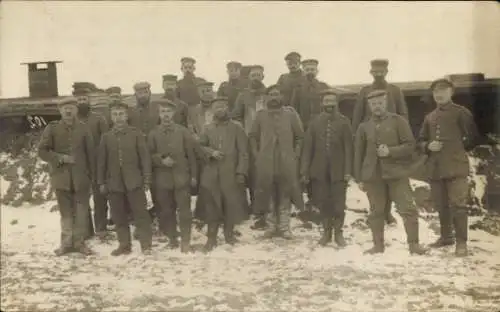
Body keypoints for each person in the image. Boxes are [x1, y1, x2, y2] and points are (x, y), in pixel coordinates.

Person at [354, 89, 428, 255]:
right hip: (373, 176)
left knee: (407, 209)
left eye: (380, 103)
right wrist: (359, 177)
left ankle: (414, 245)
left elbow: (410, 146)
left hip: (396, 174)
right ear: (369, 106)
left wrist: (390, 151)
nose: (377, 106)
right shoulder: (364, 127)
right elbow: (358, 153)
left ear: (385, 103)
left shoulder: (398, 121)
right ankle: (378, 246)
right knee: (376, 212)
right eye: (373, 104)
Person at [418, 78, 478, 257]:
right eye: (436, 91)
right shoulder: (429, 117)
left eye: (443, 90)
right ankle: (446, 237)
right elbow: (419, 141)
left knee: (458, 205)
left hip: (456, 167)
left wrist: (456, 151)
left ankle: (461, 243)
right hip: (436, 168)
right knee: (441, 204)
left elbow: (473, 138)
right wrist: (428, 146)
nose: (439, 94)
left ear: (451, 93)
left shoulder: (461, 113)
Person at [352, 58, 409, 226]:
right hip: (369, 137)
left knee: (389, 175)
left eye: (381, 71)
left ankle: (387, 212)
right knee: (373, 176)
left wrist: (401, 135)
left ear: (386, 72)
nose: (378, 74)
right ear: (371, 72)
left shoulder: (395, 91)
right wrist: (357, 135)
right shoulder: (364, 91)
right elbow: (357, 115)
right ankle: (376, 211)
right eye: (375, 71)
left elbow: (403, 113)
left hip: (391, 139)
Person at [38, 97, 95, 256]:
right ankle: (66, 244)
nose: (68, 111)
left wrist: (92, 177)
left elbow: (91, 155)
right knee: (66, 213)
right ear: (60, 111)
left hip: (81, 179)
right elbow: (42, 151)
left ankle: (79, 243)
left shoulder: (84, 129)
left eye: (71, 108)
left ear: (76, 110)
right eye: (65, 109)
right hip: (61, 178)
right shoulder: (52, 128)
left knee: (82, 212)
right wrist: (60, 158)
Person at [97, 100, 153, 256]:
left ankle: (146, 245)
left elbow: (145, 158)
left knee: (141, 215)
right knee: (119, 216)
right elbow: (101, 162)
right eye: (115, 114)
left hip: (134, 182)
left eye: (121, 114)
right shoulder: (106, 137)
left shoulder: (136, 134)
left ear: (127, 115)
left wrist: (147, 179)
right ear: (111, 117)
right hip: (114, 184)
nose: (118, 117)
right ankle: (124, 245)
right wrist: (101, 181)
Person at [249, 84, 304, 240]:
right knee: (269, 192)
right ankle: (271, 226)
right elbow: (252, 136)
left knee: (286, 191)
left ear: (281, 97)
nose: (274, 97)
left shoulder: (291, 114)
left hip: (287, 160)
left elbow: (300, 136)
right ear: (267, 97)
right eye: (271, 94)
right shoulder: (260, 115)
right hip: (266, 161)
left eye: (277, 94)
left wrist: (296, 154)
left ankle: (285, 227)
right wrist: (257, 154)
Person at [300, 89, 352, 247]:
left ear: (336, 103)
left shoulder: (344, 122)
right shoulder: (315, 122)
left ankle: (338, 233)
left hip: (338, 171)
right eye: (326, 101)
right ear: (322, 103)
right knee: (323, 202)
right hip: (319, 171)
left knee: (338, 203)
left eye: (332, 101)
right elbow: (308, 148)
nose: (329, 104)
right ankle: (326, 232)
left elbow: (349, 148)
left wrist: (348, 171)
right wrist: (305, 170)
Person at [198, 96, 249, 252]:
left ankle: (228, 234)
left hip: (230, 173)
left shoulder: (237, 127)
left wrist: (241, 172)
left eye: (222, 106)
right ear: (212, 111)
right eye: (216, 107)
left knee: (230, 205)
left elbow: (244, 152)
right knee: (211, 207)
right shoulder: (207, 128)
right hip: (211, 174)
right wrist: (211, 152)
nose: (220, 110)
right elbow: (199, 147)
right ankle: (211, 238)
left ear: (228, 108)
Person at [148, 99, 198, 252]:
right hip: (162, 180)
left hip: (181, 178)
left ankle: (186, 240)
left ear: (173, 113)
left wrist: (194, 176)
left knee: (184, 211)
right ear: (159, 114)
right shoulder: (153, 133)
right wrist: (161, 160)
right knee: (166, 211)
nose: (166, 115)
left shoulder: (183, 132)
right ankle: (172, 238)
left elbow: (192, 155)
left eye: (168, 112)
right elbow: (148, 155)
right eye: (163, 112)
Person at [230, 65, 267, 223]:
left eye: (259, 74)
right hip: (249, 139)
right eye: (253, 75)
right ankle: (254, 205)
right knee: (252, 173)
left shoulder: (268, 94)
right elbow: (236, 115)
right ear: (249, 77)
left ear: (263, 77)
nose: (256, 77)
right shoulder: (243, 96)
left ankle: (266, 206)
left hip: (267, 139)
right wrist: (242, 129)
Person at [73, 88, 110, 241]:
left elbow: (107, 140)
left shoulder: (99, 119)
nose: (82, 102)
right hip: (79, 166)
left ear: (89, 101)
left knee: (100, 198)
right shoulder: (71, 121)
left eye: (85, 99)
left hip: (97, 164)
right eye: (79, 100)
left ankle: (101, 228)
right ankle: (86, 230)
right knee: (81, 198)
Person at [296, 58, 329, 214]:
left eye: (312, 69)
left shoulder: (323, 87)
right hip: (303, 131)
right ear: (303, 70)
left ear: (317, 70)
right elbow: (292, 110)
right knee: (305, 164)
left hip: (321, 131)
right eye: (307, 69)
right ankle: (308, 198)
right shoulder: (298, 89)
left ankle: (319, 198)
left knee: (320, 163)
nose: (310, 71)